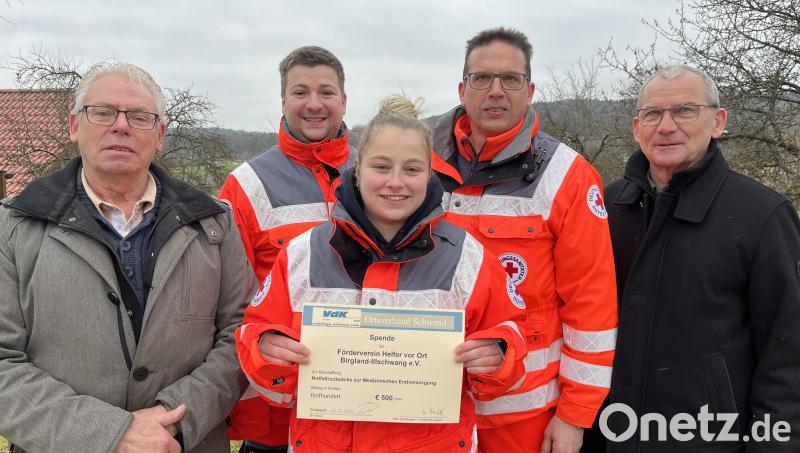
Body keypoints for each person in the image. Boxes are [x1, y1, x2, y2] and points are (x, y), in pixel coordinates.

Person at [236, 95, 528, 452]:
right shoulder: (302, 254)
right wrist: (265, 350)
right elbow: (255, 335)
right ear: (357, 169)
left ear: (430, 173)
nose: (395, 182)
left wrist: (499, 355)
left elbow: (512, 339)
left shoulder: (468, 257)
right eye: (381, 167)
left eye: (412, 169)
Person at [0, 62, 257, 452]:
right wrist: (109, 433)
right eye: (102, 112)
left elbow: (241, 336)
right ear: (74, 126)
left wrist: (172, 419)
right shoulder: (14, 225)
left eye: (139, 117)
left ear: (160, 136)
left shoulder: (214, 224)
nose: (120, 126)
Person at [430, 27, 619, 453]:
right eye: (482, 78)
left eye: (510, 79)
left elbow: (591, 305)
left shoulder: (568, 176)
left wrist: (575, 415)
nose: (495, 90)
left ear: (530, 90)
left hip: (524, 415)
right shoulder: (416, 167)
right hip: (427, 405)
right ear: (462, 89)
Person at [599, 64, 800, 452]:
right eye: (653, 114)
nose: (666, 126)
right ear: (636, 126)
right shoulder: (605, 208)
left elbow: (789, 357)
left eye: (684, 110)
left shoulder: (760, 214)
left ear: (718, 121)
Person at [218, 46, 355, 451]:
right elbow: (228, 302)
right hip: (277, 412)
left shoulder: (377, 174)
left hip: (363, 403)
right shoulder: (245, 185)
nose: (314, 104)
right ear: (282, 101)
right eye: (301, 92)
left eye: (326, 92)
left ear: (344, 101)